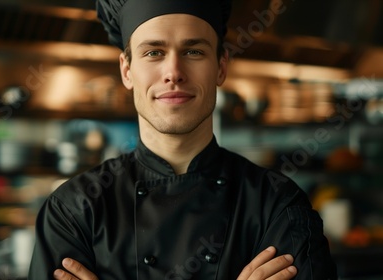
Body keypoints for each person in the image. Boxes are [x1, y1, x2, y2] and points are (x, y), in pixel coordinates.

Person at [28, 0, 338, 279]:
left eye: (193, 51)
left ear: (221, 66)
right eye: (153, 53)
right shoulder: (73, 211)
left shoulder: (278, 205)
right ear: (127, 70)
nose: (173, 72)